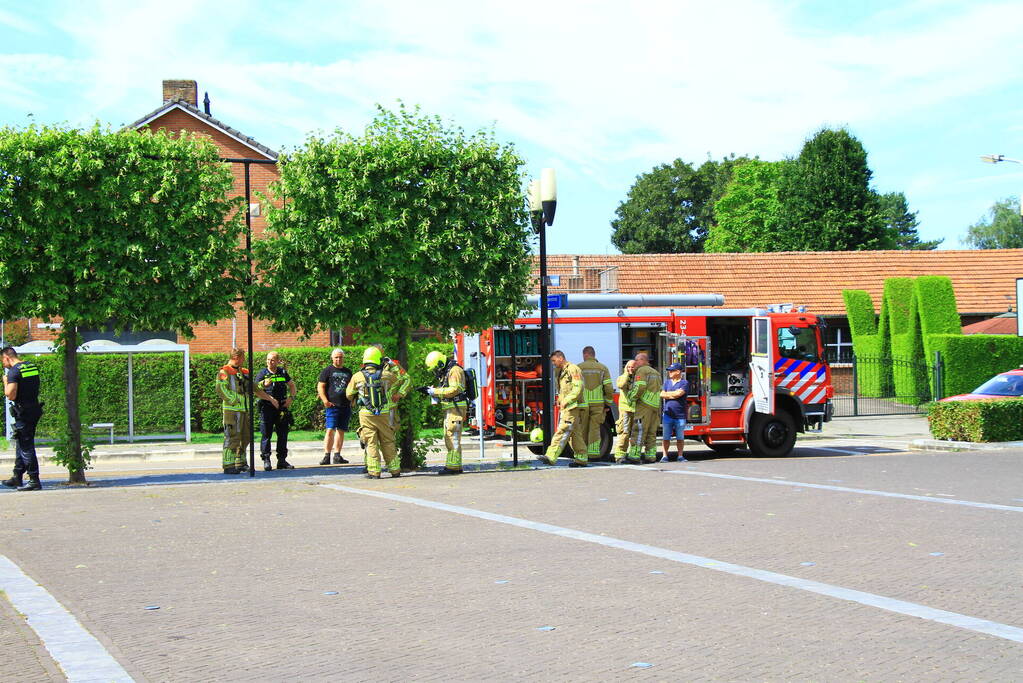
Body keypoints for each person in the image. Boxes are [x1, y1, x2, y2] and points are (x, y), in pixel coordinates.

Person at [346, 346, 408, 479]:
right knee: (388, 441)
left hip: (366, 414)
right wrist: (394, 366)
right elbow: (402, 379)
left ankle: (374, 472)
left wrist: (358, 397)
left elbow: (349, 394)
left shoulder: (357, 376)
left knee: (371, 442)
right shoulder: (387, 375)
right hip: (385, 413)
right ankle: (395, 470)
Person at [216, 348, 274, 475]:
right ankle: (228, 464)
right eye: (242, 357)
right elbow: (221, 389)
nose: (244, 359)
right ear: (236, 357)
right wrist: (235, 399)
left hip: (244, 410)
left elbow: (252, 387)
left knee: (245, 437)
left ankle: (240, 462)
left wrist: (263, 384)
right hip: (232, 411)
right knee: (232, 437)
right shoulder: (224, 371)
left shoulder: (243, 372)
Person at [1, 347, 43, 491]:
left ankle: (34, 480)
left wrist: (5, 382)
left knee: (26, 446)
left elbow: (10, 395)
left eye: (2, 360)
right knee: (21, 441)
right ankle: (17, 476)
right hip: (34, 408)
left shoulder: (13, 371)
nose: (3, 364)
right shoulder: (31, 366)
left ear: (7, 357)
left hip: (23, 412)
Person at [539, 350, 588, 468]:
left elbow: (578, 387)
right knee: (575, 434)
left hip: (573, 406)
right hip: (568, 407)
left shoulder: (573, 369)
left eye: (554, 360)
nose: (553, 363)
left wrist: (567, 400)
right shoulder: (560, 371)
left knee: (563, 429)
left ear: (561, 358)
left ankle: (551, 456)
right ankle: (582, 459)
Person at [423, 350, 469, 475]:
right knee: (450, 435)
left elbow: (455, 389)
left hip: (456, 409)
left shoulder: (454, 370)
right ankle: (455, 465)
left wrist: (434, 392)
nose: (436, 371)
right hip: (452, 408)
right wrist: (430, 391)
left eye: (436, 368)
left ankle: (453, 468)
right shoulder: (448, 371)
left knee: (452, 436)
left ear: (440, 363)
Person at [255, 351, 296, 471]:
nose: (269, 362)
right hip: (267, 407)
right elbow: (256, 389)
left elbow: (292, 385)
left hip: (282, 407)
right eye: (268, 359)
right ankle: (266, 460)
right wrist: (270, 398)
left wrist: (291, 398)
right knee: (266, 434)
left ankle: (282, 461)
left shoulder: (282, 372)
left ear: (278, 361)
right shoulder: (262, 373)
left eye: (272, 360)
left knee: (283, 434)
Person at [317, 349, 353, 465]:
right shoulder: (327, 371)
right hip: (332, 405)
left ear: (343, 358)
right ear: (332, 358)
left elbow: (351, 388)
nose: (338, 359)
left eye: (340, 357)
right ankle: (326, 456)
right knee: (330, 430)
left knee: (341, 430)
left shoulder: (348, 372)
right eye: (336, 357)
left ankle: (337, 455)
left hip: (345, 405)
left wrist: (352, 400)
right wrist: (325, 401)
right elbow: (321, 387)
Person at [578, 346, 614, 462]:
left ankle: (582, 454)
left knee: (582, 428)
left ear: (585, 355)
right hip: (598, 404)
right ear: (594, 354)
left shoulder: (579, 368)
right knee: (595, 429)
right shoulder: (603, 368)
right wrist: (607, 402)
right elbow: (608, 387)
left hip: (583, 404)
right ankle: (593, 454)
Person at [626, 352, 661, 464]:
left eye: (637, 360)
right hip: (654, 406)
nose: (635, 363)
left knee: (639, 430)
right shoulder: (656, 372)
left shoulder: (642, 370)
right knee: (651, 432)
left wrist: (631, 397)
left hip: (644, 406)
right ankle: (651, 456)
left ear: (643, 360)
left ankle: (634, 456)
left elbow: (639, 387)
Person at [660, 362, 689, 462]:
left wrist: (669, 394)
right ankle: (664, 456)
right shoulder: (667, 382)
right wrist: (673, 394)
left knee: (680, 437)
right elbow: (662, 394)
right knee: (665, 437)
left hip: (680, 415)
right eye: (669, 371)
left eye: (672, 371)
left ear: (678, 372)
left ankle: (680, 456)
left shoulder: (684, 383)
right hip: (667, 414)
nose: (669, 372)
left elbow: (679, 394)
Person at [612, 359, 636, 463]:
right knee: (624, 433)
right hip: (625, 410)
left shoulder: (638, 378)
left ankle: (634, 456)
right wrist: (627, 374)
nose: (631, 368)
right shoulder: (622, 377)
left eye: (633, 367)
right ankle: (620, 456)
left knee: (636, 434)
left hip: (636, 410)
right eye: (628, 367)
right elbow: (621, 385)